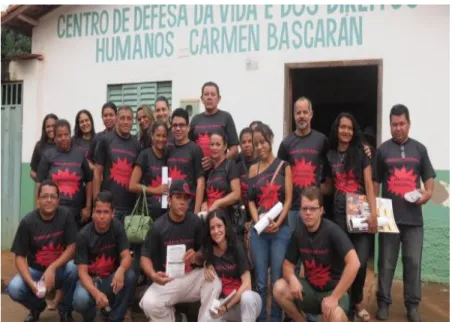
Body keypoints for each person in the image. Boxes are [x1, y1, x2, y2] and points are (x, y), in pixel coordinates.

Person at [373, 104, 435, 322]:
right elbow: (375, 181)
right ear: (390, 125)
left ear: (409, 124)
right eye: (394, 124)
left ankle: (412, 306)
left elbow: (429, 177)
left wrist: (427, 194)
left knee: (413, 263)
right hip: (389, 218)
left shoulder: (420, 149)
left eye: (401, 124)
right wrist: (374, 209)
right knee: (386, 263)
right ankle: (383, 303)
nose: (398, 128)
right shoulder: (382, 150)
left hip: (413, 220)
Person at [273, 187, 361, 322]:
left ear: (321, 210)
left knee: (336, 315)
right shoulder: (298, 233)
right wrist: (292, 278)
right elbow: (287, 265)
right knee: (279, 288)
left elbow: (354, 263)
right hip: (310, 290)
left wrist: (334, 297)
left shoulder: (332, 231)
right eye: (304, 209)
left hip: (333, 290)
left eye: (313, 209)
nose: (308, 213)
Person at [139, 179, 222, 322]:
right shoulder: (158, 226)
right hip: (167, 279)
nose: (182, 202)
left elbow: (205, 250)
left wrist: (196, 256)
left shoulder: (195, 222)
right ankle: (175, 319)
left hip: (190, 277)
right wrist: (153, 275)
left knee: (214, 280)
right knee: (148, 303)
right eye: (178, 197)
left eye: (186, 198)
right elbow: (144, 257)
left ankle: (205, 320)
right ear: (169, 200)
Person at [324, 112, 378, 321]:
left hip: (360, 210)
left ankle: (357, 302)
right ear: (337, 130)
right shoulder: (329, 155)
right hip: (338, 211)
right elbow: (328, 186)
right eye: (342, 127)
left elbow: (368, 185)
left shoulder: (361, 152)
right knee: (342, 260)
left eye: (349, 128)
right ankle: (344, 303)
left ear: (353, 131)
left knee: (361, 261)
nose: (345, 131)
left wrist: (373, 214)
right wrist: (309, 191)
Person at [7, 180, 78, 322]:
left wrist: (52, 267)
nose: (49, 200)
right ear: (37, 199)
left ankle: (65, 311)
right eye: (45, 196)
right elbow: (20, 257)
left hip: (60, 270)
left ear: (58, 200)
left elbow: (72, 247)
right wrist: (32, 284)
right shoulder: (27, 222)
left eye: (53, 196)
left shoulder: (66, 216)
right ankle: (36, 306)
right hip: (36, 272)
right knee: (14, 288)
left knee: (74, 267)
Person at [248, 123, 293, 322]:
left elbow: (289, 200)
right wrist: (257, 220)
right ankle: (260, 319)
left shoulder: (284, 167)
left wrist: (278, 221)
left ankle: (275, 318)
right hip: (259, 233)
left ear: (271, 140)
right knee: (259, 282)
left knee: (276, 280)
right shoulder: (252, 169)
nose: (259, 147)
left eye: (263, 142)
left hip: (280, 231)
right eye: (256, 143)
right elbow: (250, 199)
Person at [72, 191, 135, 322]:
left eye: (106, 212)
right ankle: (89, 316)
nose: (101, 216)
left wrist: (121, 270)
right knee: (80, 300)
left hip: (111, 279)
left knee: (130, 275)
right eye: (98, 212)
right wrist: (96, 294)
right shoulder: (83, 235)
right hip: (90, 281)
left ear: (113, 214)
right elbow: (82, 272)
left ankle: (115, 318)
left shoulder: (117, 227)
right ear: (93, 213)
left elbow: (127, 256)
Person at [277, 97, 330, 234]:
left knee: (315, 248)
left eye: (305, 112)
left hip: (314, 207)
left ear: (311, 114)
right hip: (293, 208)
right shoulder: (286, 144)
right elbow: (279, 177)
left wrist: (325, 188)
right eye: (298, 112)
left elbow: (331, 167)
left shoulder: (322, 140)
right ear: (294, 115)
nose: (302, 116)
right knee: (293, 250)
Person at [203, 209, 262, 322]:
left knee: (247, 297)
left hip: (246, 304)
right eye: (212, 228)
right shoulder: (209, 250)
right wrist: (205, 265)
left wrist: (226, 307)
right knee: (207, 318)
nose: (216, 231)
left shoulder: (236, 247)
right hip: (224, 302)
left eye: (219, 226)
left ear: (226, 226)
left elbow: (247, 285)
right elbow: (198, 257)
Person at [36, 119, 93, 229]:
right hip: (53, 212)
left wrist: (88, 207)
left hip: (76, 213)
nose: (63, 138)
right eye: (59, 135)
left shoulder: (79, 155)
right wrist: (39, 206)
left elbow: (89, 180)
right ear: (55, 137)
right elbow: (39, 182)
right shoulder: (48, 156)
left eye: (66, 135)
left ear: (70, 135)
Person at [93, 105, 141, 222]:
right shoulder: (105, 140)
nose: (125, 122)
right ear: (117, 120)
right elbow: (97, 172)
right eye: (122, 118)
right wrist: (96, 203)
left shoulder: (137, 145)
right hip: (108, 205)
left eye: (129, 119)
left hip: (130, 207)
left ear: (133, 122)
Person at [189, 81, 240, 171]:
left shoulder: (226, 117)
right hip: (197, 172)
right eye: (206, 94)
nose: (209, 97)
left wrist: (216, 162)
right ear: (202, 98)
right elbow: (189, 147)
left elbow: (234, 150)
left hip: (220, 172)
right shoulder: (195, 119)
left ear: (219, 98)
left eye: (213, 94)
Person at [165, 108, 205, 213]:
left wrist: (196, 212)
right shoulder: (168, 147)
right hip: (170, 209)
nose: (178, 128)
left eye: (182, 125)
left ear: (188, 127)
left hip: (188, 209)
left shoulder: (195, 149)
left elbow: (200, 183)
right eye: (174, 125)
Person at [201, 130, 241, 232]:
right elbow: (206, 195)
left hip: (227, 222)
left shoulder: (230, 165)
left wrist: (218, 203)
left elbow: (236, 194)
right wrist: (204, 204)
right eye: (212, 144)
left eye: (218, 144)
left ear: (225, 146)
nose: (214, 148)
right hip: (211, 222)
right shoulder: (209, 170)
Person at [130, 120, 169, 221]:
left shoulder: (169, 156)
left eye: (164, 136)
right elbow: (132, 185)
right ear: (152, 136)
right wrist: (156, 190)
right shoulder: (144, 155)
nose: (161, 139)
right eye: (158, 135)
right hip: (147, 216)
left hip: (166, 215)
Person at [236, 127, 259, 240]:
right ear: (240, 145)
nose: (247, 145)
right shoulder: (236, 164)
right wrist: (244, 219)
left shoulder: (262, 163)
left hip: (259, 214)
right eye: (243, 142)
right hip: (241, 214)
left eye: (250, 141)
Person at [30, 113, 58, 181]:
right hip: (44, 189)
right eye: (48, 127)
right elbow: (32, 172)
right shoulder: (39, 146)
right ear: (44, 129)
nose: (51, 129)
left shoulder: (63, 145)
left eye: (53, 126)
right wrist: (43, 182)